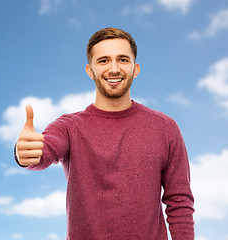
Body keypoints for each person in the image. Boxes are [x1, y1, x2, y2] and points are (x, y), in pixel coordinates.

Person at [14, 27, 194, 239]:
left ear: (135, 69)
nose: (114, 69)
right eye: (103, 61)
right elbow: (45, 150)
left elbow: (179, 200)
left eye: (123, 60)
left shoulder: (165, 127)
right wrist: (25, 154)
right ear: (90, 71)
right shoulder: (69, 126)